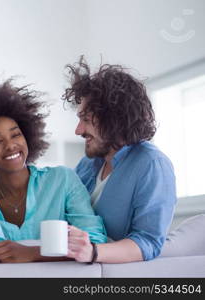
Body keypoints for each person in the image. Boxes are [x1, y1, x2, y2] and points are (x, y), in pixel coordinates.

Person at [0, 79, 107, 263]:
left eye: (16, 135)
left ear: (27, 137)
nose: (11, 145)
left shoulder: (62, 180)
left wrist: (33, 253)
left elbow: (94, 241)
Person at [62, 57, 177, 263]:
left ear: (115, 119)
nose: (78, 130)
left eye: (86, 120)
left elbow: (148, 242)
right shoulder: (89, 163)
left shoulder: (152, 165)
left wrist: (93, 252)